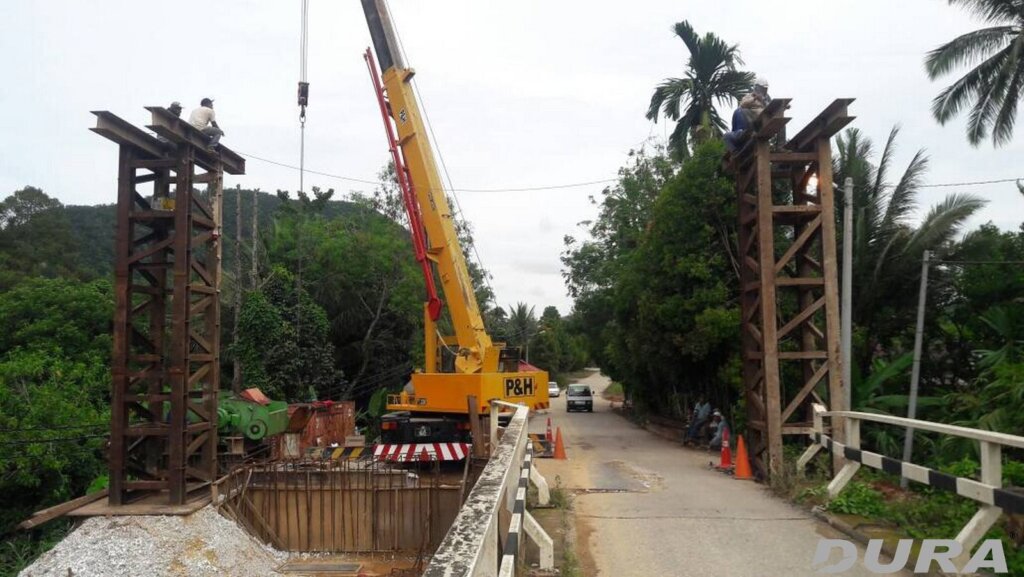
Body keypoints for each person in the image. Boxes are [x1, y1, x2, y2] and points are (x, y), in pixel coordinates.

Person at [724, 77, 771, 152]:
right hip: (754, 120)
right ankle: (740, 133)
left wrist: (763, 101)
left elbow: (770, 107)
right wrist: (754, 99)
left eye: (765, 88)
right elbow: (742, 104)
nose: (764, 90)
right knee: (740, 111)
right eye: (762, 88)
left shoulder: (768, 98)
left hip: (765, 118)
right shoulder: (750, 96)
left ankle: (780, 146)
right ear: (757, 87)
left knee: (780, 118)